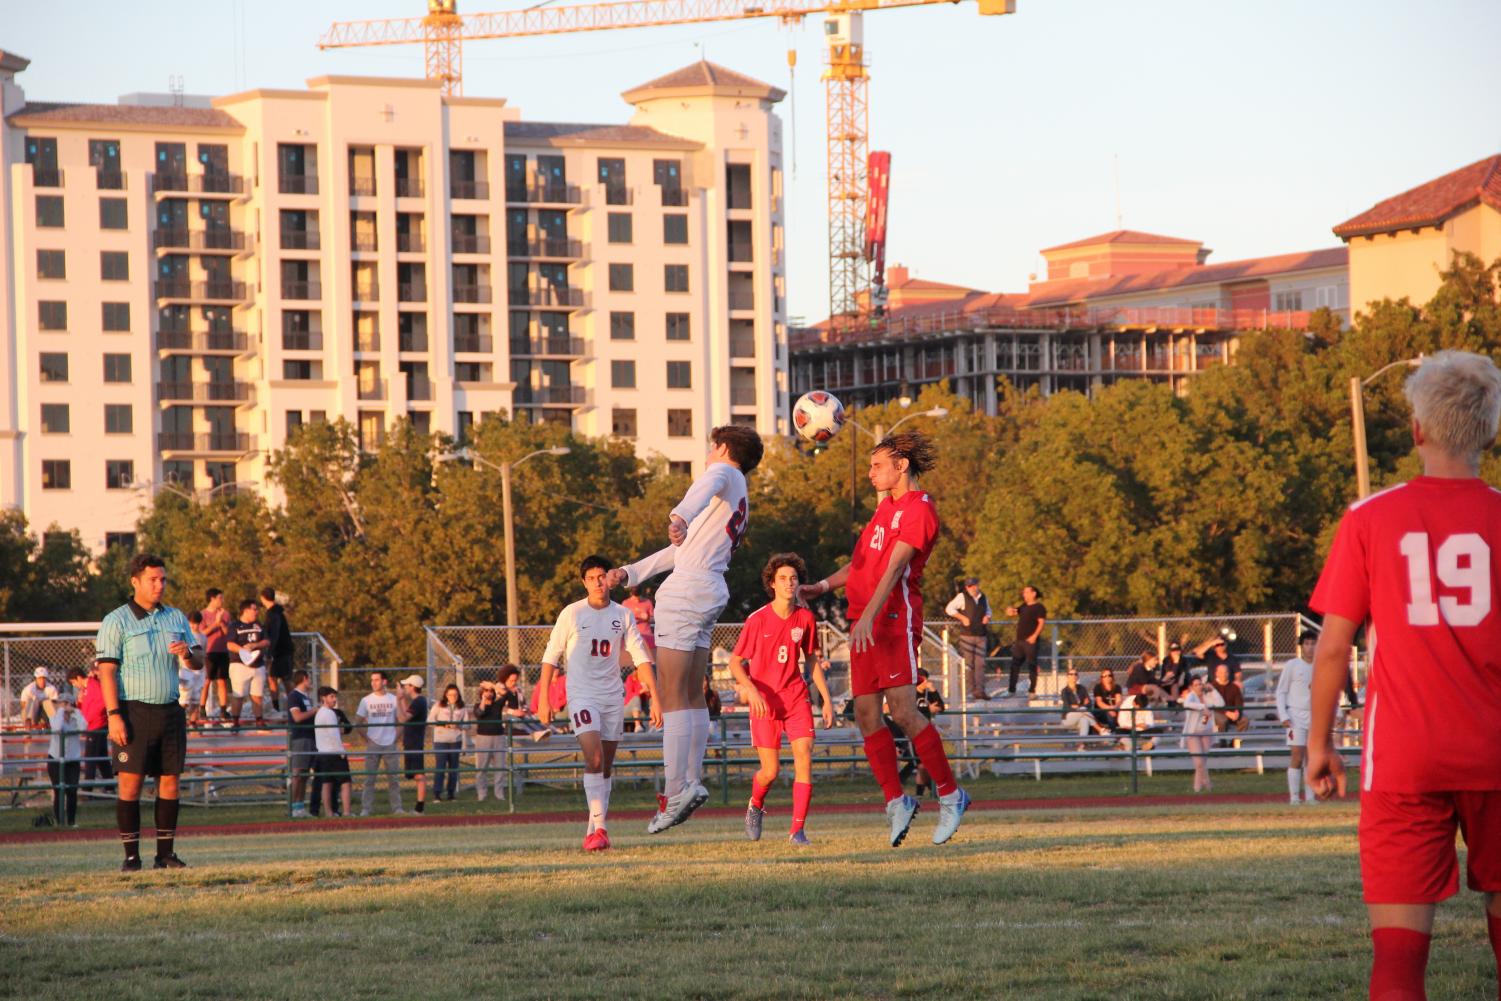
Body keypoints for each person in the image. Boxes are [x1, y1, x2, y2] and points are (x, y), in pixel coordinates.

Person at [1304, 351, 1501, 1000]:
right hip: (1496, 750)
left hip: (1403, 758)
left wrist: (1318, 743)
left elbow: (1332, 649)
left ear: (1416, 430)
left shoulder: (1369, 518)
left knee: (1395, 959)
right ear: (1487, 431)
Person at [798, 431, 969, 847]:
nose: (871, 472)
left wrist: (869, 616)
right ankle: (897, 802)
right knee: (867, 716)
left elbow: (894, 570)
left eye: (878, 465)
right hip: (865, 623)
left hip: (891, 621)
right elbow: (860, 567)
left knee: (906, 712)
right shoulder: (884, 511)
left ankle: (950, 795)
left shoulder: (919, 509)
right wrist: (820, 587)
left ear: (901, 466)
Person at [605, 424, 763, 834]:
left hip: (688, 590)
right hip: (710, 587)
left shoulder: (726, 473)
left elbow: (707, 481)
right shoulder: (739, 493)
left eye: (712, 447)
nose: (708, 454)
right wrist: (630, 572)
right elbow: (682, 550)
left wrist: (678, 515)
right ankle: (690, 781)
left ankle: (677, 789)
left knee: (674, 694)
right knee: (691, 694)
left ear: (724, 448)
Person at [538, 555, 659, 851]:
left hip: (611, 696)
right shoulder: (572, 613)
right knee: (593, 759)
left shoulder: (623, 615)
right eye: (591, 578)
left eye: (602, 576)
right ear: (584, 582)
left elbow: (641, 656)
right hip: (581, 694)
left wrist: (656, 697)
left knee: (604, 765)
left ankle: (593, 828)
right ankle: (602, 829)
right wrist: (543, 698)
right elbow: (551, 655)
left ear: (610, 578)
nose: (597, 582)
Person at [94, 552, 200, 870]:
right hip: (133, 711)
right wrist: (114, 715)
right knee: (131, 784)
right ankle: (131, 857)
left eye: (163, 579)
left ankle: (165, 854)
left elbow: (199, 661)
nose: (159, 585)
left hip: (169, 710)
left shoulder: (176, 617)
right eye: (153, 579)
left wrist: (189, 654)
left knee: (169, 781)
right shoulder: (117, 620)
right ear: (135, 581)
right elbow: (107, 672)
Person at [729, 552, 833, 846]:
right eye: (783, 579)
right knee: (770, 771)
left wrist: (826, 699)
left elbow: (811, 659)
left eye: (794, 578)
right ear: (772, 584)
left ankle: (797, 831)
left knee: (804, 755)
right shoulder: (757, 620)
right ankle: (755, 803)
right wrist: (752, 690)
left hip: (796, 698)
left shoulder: (805, 618)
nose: (789, 583)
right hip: (765, 702)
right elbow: (735, 663)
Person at [1275, 631, 1318, 806]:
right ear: (1301, 646)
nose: (1309, 647)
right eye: (1306, 644)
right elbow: (1281, 691)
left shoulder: (1321, 665)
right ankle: (1294, 798)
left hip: (1315, 716)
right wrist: (1283, 715)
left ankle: (1310, 797)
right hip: (1295, 716)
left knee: (1311, 757)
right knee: (1297, 755)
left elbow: (1328, 691)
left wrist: (1335, 712)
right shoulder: (1292, 665)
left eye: (1313, 643)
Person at [356, 670, 404, 816]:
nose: (373, 683)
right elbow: (357, 722)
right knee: (369, 779)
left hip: (390, 744)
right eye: (372, 680)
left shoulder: (393, 699)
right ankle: (366, 808)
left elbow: (401, 721)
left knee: (394, 779)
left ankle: (397, 808)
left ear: (384, 682)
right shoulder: (366, 700)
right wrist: (366, 738)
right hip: (373, 745)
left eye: (376, 680)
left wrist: (396, 737)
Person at [42, 689, 86, 827]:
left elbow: (84, 727)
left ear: (70, 704)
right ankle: (59, 822)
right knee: (58, 790)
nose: (59, 705)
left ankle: (71, 822)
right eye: (59, 703)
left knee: (72, 791)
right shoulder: (55, 716)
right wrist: (61, 711)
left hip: (73, 760)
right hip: (55, 759)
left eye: (63, 703)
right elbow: (57, 728)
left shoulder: (77, 717)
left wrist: (76, 711)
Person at [945, 577, 992, 700]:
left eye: (974, 585)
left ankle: (980, 691)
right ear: (966, 587)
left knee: (980, 664)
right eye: (969, 586)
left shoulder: (983, 597)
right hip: (967, 635)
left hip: (981, 635)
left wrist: (988, 616)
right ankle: (971, 691)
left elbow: (989, 611)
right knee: (969, 665)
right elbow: (949, 609)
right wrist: (962, 618)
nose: (972, 588)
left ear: (978, 585)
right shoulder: (962, 597)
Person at [226, 599, 268, 728]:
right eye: (254, 609)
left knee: (257, 694)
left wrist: (255, 645)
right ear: (245, 610)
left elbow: (266, 641)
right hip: (239, 664)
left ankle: (259, 720)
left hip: (258, 664)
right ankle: (236, 721)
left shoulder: (259, 625)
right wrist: (243, 650)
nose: (257, 612)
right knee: (238, 694)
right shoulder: (235, 625)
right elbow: (230, 644)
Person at [312, 687, 352, 819]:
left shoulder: (319, 713)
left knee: (327, 783)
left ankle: (329, 813)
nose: (334, 700)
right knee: (345, 783)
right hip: (334, 753)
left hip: (323, 752)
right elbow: (334, 735)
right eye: (331, 697)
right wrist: (341, 752)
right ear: (323, 698)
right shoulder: (329, 713)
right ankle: (347, 812)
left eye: (335, 697)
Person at [74, 662, 114, 792]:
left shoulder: (93, 685)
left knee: (90, 759)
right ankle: (110, 787)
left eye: (74, 682)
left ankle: (87, 790)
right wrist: (79, 703)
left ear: (78, 678)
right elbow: (86, 707)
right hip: (93, 725)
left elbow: (103, 701)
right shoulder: (86, 689)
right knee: (102, 759)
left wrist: (88, 720)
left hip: (96, 725)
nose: (75, 686)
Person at [1180, 675, 1222, 793]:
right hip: (1193, 732)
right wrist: (1202, 707)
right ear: (1191, 687)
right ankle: (1205, 785)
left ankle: (1198, 789)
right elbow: (1186, 704)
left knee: (1203, 761)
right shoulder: (1191, 696)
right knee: (1199, 761)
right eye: (1196, 685)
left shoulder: (1208, 696)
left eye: (1200, 684)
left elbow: (1220, 703)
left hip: (1207, 731)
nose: (1199, 687)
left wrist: (1213, 690)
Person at [285, 670, 318, 819]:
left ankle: (300, 806)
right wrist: (315, 711)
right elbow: (297, 717)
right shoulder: (294, 696)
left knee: (304, 774)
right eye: (309, 678)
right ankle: (293, 807)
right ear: (304, 679)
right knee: (298, 774)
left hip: (310, 738)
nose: (311, 681)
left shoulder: (307, 697)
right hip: (300, 738)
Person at [1004, 586, 1047, 697]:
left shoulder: (1039, 607)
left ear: (1033, 594)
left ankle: (1032, 691)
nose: (1024, 594)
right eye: (1023, 592)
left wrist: (1034, 636)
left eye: (1026, 592)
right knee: (1014, 665)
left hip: (1031, 642)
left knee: (1031, 665)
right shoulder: (1023, 606)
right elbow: (1013, 612)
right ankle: (1011, 690)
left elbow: (1041, 623)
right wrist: (1009, 610)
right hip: (1020, 641)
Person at [430, 684, 470, 802]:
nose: (453, 697)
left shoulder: (462, 707)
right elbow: (430, 720)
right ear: (446, 695)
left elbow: (467, 725)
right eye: (450, 694)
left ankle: (451, 794)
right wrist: (444, 724)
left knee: (453, 768)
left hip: (455, 741)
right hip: (441, 741)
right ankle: (437, 794)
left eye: (455, 694)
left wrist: (458, 725)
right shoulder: (438, 705)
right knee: (440, 768)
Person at [911, 668, 947, 798]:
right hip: (914, 733)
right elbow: (910, 712)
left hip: (928, 732)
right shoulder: (911, 694)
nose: (923, 683)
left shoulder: (928, 694)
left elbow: (941, 707)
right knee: (921, 765)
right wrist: (928, 708)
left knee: (928, 764)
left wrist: (933, 690)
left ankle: (925, 792)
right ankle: (928, 790)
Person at [198, 589, 232, 726]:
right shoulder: (203, 614)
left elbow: (227, 633)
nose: (221, 601)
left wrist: (222, 623)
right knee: (206, 681)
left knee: (222, 681)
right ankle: (202, 709)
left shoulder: (225, 614)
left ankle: (223, 710)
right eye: (219, 598)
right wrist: (215, 624)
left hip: (223, 651)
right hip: (209, 652)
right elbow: (202, 633)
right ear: (212, 599)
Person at [259, 587, 296, 714]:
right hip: (282, 650)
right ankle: (278, 708)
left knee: (285, 679)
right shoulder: (276, 612)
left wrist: (269, 653)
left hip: (281, 651)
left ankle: (293, 707)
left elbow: (273, 634)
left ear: (263, 598)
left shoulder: (273, 613)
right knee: (273, 677)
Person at [398, 674, 430, 814]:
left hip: (415, 742)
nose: (405, 688)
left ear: (412, 687)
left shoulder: (419, 702)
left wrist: (398, 700)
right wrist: (403, 699)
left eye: (406, 686)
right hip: (411, 741)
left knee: (419, 775)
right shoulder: (417, 701)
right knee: (415, 774)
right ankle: (419, 806)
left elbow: (403, 719)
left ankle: (420, 807)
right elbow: (408, 713)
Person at [473, 680, 509, 802]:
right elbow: (480, 713)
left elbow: (506, 695)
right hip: (483, 738)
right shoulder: (478, 705)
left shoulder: (497, 704)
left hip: (498, 737)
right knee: (481, 768)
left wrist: (493, 686)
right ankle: (481, 794)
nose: (489, 693)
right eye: (486, 691)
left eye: (490, 692)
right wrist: (484, 699)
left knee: (500, 767)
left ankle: (499, 794)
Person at [1060, 667, 1107, 747]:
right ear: (1067, 676)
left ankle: (1081, 745)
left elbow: (1089, 704)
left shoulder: (1082, 688)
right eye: (1071, 674)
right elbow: (1068, 707)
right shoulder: (1065, 691)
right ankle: (1100, 729)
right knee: (1082, 709)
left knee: (1084, 720)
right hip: (1068, 718)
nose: (1073, 676)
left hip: (1082, 715)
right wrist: (1081, 705)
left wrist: (1077, 706)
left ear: (1078, 676)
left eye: (1075, 674)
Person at [181, 610, 207, 726]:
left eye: (196, 623)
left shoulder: (203, 637)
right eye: (191, 623)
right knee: (184, 700)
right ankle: (179, 723)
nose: (194, 626)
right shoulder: (183, 636)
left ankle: (193, 722)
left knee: (196, 700)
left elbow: (203, 653)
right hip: (186, 671)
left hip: (199, 672)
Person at [1210, 663, 1249, 739]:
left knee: (1244, 720)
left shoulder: (1234, 687)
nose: (1223, 675)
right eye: (1221, 673)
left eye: (1225, 672)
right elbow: (1212, 705)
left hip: (1232, 712)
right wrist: (1226, 713)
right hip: (1218, 712)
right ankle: (1222, 741)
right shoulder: (1212, 687)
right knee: (1222, 720)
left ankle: (1237, 741)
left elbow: (1239, 702)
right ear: (1216, 674)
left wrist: (1237, 712)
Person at [622, 585, 656, 653]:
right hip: (632, 636)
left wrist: (647, 618)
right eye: (635, 598)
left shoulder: (647, 602)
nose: (637, 600)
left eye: (639, 597)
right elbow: (622, 622)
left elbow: (654, 619)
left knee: (651, 659)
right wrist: (632, 620)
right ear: (631, 593)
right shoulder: (625, 603)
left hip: (647, 635)